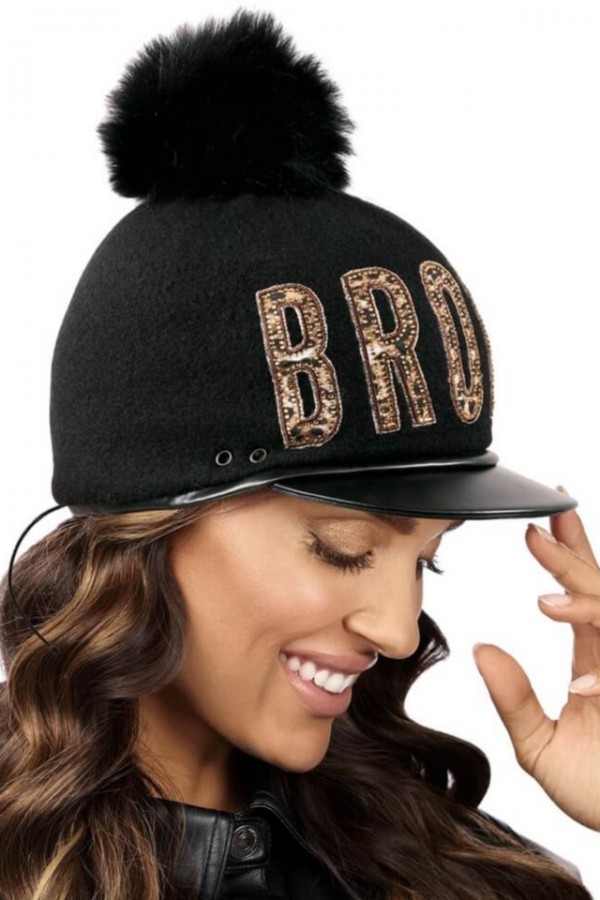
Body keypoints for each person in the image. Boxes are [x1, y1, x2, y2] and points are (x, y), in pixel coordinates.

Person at [0, 8, 596, 899]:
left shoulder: (452, 874)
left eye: (425, 562)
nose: (399, 631)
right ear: (145, 525)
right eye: (344, 548)